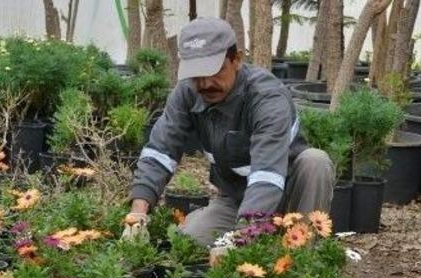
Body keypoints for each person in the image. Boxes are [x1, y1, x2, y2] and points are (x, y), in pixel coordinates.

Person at [121, 17, 334, 252]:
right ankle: (248, 236)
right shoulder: (187, 93)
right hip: (236, 199)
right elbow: (160, 151)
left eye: (215, 70)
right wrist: (137, 215)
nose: (206, 83)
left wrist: (241, 237)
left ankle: (302, 254)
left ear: (237, 60)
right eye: (197, 74)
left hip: (289, 195)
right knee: (187, 245)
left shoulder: (266, 97)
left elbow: (267, 174)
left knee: (315, 161)